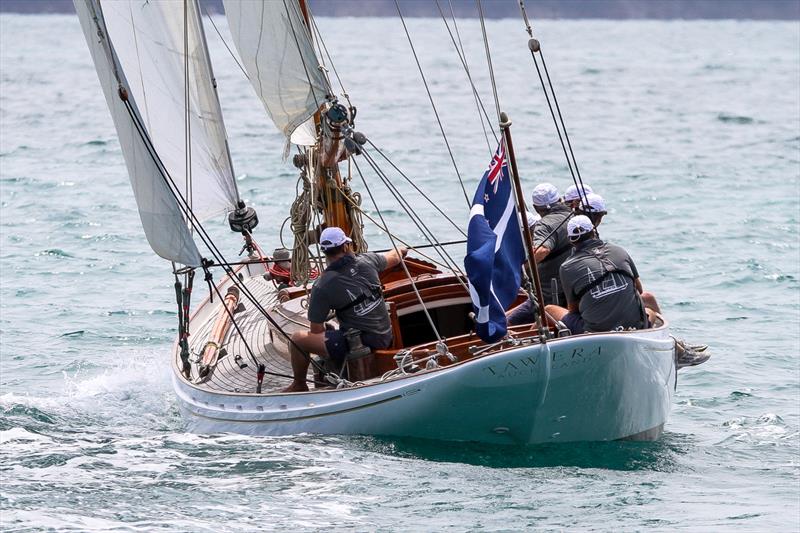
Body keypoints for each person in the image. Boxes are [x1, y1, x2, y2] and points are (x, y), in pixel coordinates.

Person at [282, 227, 407, 392]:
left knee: (298, 339)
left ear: (324, 252)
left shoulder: (322, 286)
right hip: (386, 335)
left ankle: (299, 384)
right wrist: (402, 249)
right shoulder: (368, 260)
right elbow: (394, 256)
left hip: (362, 342)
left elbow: (316, 330)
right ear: (345, 246)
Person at [545, 215, 659, 334]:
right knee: (650, 311)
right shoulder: (618, 250)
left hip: (596, 333)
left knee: (548, 310)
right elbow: (639, 290)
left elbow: (573, 310)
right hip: (634, 327)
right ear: (593, 231)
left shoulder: (566, 267)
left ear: (570, 239)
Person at [507, 183, 573, 326]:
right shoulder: (573, 217)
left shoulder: (545, 224)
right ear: (560, 200)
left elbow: (542, 250)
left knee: (504, 322)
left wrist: (519, 269)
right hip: (570, 291)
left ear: (536, 208)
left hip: (548, 296)